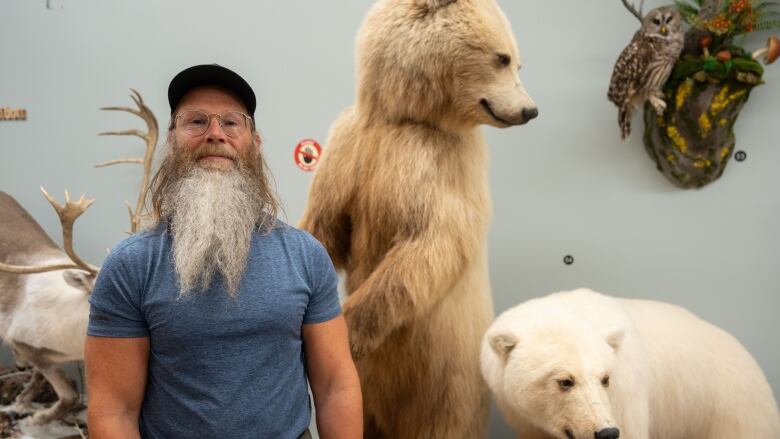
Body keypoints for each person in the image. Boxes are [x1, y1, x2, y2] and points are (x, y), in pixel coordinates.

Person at [84, 64, 362, 439]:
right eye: (196, 122)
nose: (215, 134)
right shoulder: (131, 264)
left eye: (232, 123)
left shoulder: (305, 256)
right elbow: (114, 411)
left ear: (255, 143)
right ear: (172, 142)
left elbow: (335, 388)